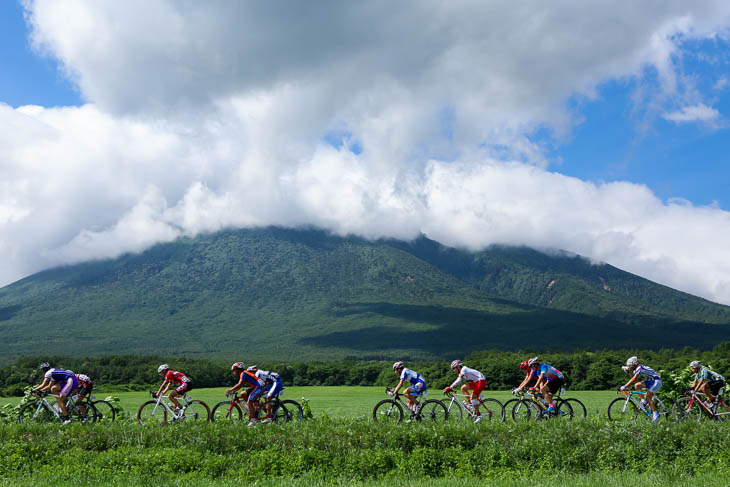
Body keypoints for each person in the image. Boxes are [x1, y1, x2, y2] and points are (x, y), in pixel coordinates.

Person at [621, 356, 661, 422]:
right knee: (637, 385)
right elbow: (634, 380)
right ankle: (643, 401)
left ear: (634, 365)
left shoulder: (640, 368)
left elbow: (634, 378)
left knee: (648, 397)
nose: (630, 368)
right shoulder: (636, 369)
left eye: (630, 366)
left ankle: (655, 413)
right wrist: (628, 372)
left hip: (657, 381)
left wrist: (625, 386)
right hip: (652, 381)